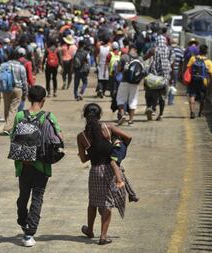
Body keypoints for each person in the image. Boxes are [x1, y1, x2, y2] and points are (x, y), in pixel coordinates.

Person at [11, 85, 62, 247]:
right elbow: (58, 137)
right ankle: (29, 233)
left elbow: (13, 137)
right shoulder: (48, 116)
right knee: (37, 198)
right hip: (42, 164)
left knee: (23, 196)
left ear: (28, 98)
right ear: (43, 100)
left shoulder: (20, 115)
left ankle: (22, 218)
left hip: (23, 164)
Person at [77, 103, 131, 245]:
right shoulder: (109, 128)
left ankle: (89, 229)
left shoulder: (82, 136)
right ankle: (103, 236)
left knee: (93, 202)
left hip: (95, 170)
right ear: (99, 115)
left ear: (85, 116)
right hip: (110, 169)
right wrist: (118, 150)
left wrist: (92, 153)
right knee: (107, 203)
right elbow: (128, 137)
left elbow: (83, 159)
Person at [144, 34, 173, 121]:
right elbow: (172, 61)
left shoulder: (153, 49)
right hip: (164, 77)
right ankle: (160, 115)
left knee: (149, 94)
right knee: (162, 97)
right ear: (164, 41)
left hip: (153, 76)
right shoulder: (169, 50)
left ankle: (150, 107)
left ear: (156, 42)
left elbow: (145, 58)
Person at [116, 44, 144, 126]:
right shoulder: (140, 59)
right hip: (135, 83)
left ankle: (122, 114)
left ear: (130, 49)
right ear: (136, 50)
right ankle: (131, 120)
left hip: (124, 81)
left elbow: (119, 69)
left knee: (120, 99)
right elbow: (143, 71)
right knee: (133, 100)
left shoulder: (124, 57)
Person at [186, 44, 212, 119]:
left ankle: (192, 112)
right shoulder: (208, 62)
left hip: (193, 79)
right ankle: (200, 112)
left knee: (192, 95)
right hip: (203, 81)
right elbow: (211, 75)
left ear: (199, 50)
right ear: (206, 52)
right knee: (203, 97)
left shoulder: (193, 58)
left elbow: (188, 68)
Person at [2, 51, 28, 135]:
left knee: (7, 107)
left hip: (6, 89)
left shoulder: (4, 66)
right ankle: (8, 128)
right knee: (13, 108)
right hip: (17, 88)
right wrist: (25, 92)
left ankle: (8, 125)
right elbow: (24, 81)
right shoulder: (21, 67)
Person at [169, 38, 184, 105]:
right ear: (177, 43)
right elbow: (182, 62)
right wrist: (181, 72)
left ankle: (162, 99)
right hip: (176, 70)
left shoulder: (167, 49)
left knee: (165, 84)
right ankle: (170, 100)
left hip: (167, 70)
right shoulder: (180, 51)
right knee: (173, 85)